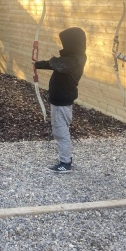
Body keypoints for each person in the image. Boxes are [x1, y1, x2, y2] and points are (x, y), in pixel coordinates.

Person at [34, 27, 87, 173]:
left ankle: (65, 163)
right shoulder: (73, 57)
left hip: (62, 101)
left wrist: (48, 61)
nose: (64, 45)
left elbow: (58, 64)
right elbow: (55, 64)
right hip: (60, 100)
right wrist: (37, 65)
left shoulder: (75, 59)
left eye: (66, 42)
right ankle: (66, 158)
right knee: (61, 130)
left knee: (60, 131)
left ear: (73, 43)